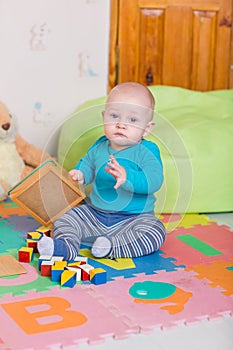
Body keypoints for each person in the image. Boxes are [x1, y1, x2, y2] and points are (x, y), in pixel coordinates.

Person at [38, 82, 166, 260]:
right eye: (115, 116)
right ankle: (65, 247)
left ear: (147, 128)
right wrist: (81, 174)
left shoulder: (147, 151)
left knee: (155, 232)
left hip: (133, 219)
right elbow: (88, 163)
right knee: (65, 217)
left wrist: (127, 177)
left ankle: (112, 247)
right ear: (104, 117)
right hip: (95, 214)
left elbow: (154, 180)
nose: (121, 125)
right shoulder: (100, 146)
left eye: (133, 120)